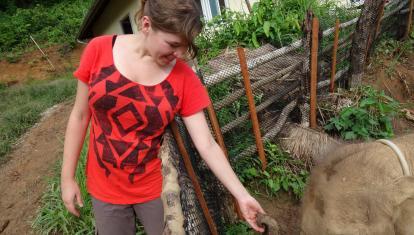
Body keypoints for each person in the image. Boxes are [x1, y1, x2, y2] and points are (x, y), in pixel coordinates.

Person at [61, 0, 265, 234]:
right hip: (105, 185)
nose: (179, 53)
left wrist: (241, 195)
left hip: (154, 188)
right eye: (173, 44)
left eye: (185, 45)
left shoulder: (184, 78)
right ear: (146, 25)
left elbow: (207, 144)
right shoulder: (98, 50)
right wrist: (67, 178)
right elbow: (79, 115)